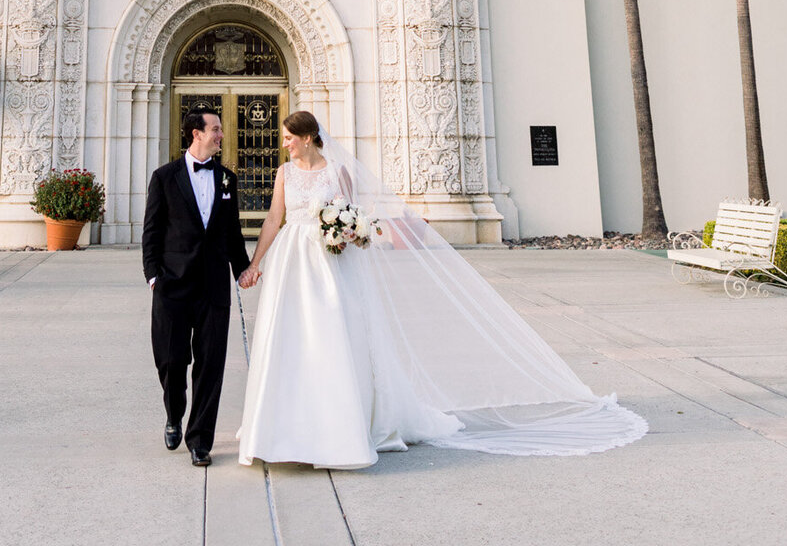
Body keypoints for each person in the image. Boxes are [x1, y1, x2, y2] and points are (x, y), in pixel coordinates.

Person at [238, 111, 647, 469]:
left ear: (307, 136)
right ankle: (283, 428)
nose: (285, 143)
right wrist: (257, 264)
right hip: (295, 263)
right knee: (291, 339)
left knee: (335, 340)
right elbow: (274, 218)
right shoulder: (284, 173)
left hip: (331, 264)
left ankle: (340, 429)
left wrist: (345, 234)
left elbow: (353, 215)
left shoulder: (336, 171)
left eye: (289, 137)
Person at [142, 105, 252, 466]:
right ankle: (174, 414)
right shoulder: (164, 177)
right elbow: (152, 232)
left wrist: (243, 270)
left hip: (213, 286)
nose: (222, 134)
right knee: (172, 362)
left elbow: (232, 233)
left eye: (220, 129)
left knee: (210, 364)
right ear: (197, 134)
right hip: (172, 284)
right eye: (216, 129)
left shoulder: (227, 179)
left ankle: (200, 440)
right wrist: (154, 276)